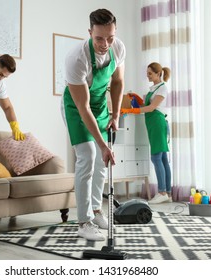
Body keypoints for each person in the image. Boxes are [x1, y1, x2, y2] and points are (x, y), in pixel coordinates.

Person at [61, 9, 126, 241]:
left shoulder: (117, 47)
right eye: (99, 38)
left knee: (101, 163)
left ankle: (97, 211)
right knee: (88, 155)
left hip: (99, 106)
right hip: (77, 108)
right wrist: (102, 145)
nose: (105, 43)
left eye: (110, 37)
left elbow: (118, 82)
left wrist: (116, 114)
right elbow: (83, 107)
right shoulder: (76, 58)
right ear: (90, 33)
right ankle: (84, 222)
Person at [121, 62, 172, 204]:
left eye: (150, 73)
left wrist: (130, 110)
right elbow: (146, 105)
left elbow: (151, 108)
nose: (147, 75)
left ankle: (162, 192)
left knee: (157, 158)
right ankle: (167, 193)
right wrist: (137, 99)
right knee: (162, 159)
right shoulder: (154, 89)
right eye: (147, 72)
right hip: (153, 123)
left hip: (157, 122)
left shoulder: (162, 88)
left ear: (158, 74)